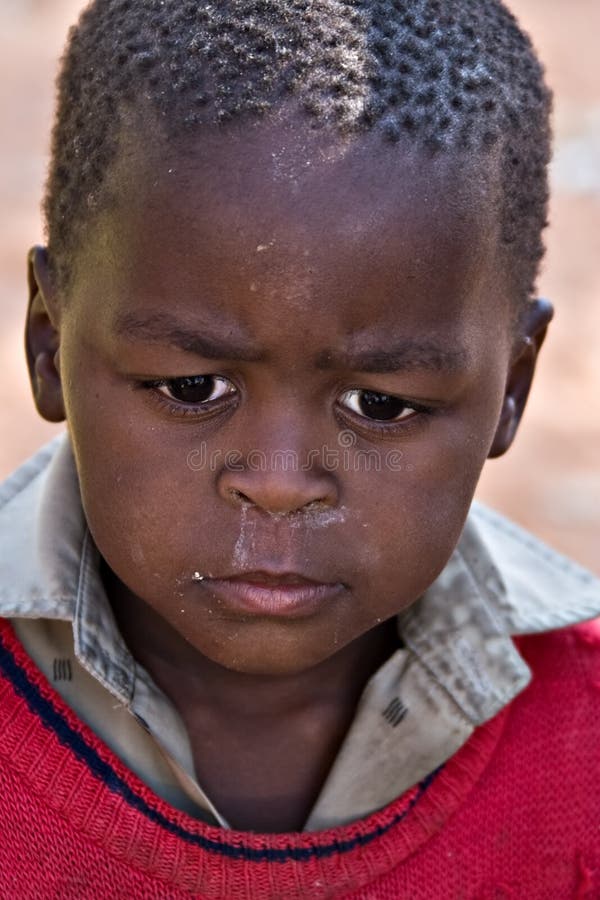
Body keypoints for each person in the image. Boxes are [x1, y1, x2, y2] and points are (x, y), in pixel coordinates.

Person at [0, 0, 599, 896]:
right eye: (192, 388)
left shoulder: (580, 746)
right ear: (50, 346)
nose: (279, 486)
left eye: (380, 404)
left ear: (512, 387)